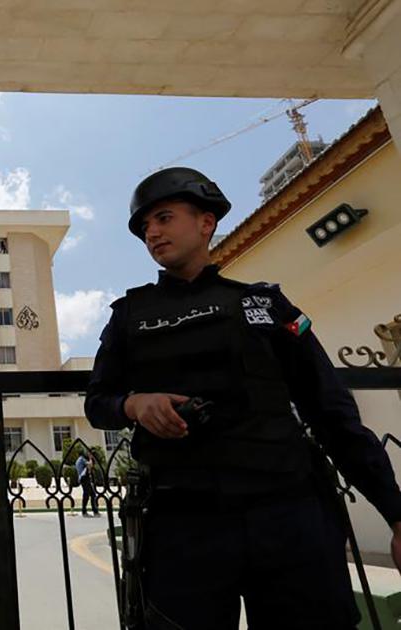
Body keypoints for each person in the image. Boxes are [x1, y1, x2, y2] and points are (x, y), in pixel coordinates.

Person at [85, 166, 401, 629]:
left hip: (288, 513)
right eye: (144, 227)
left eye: (164, 218)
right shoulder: (129, 316)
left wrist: (394, 512)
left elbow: (333, 414)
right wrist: (133, 404)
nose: (151, 232)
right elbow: (98, 403)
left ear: (205, 222)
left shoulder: (268, 305)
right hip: (184, 522)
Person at [75, 450, 99, 517]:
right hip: (84, 479)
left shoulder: (79, 460)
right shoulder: (82, 459)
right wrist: (91, 458)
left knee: (92, 494)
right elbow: (90, 465)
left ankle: (95, 510)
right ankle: (84, 511)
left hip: (84, 479)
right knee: (87, 495)